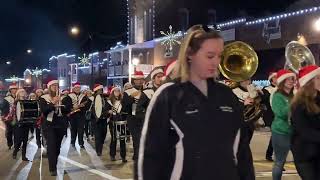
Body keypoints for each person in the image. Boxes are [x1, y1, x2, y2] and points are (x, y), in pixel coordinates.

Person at [138, 25, 254, 180]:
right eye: (209, 56)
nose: (216, 62)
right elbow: (150, 155)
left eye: (219, 56)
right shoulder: (168, 94)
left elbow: (242, 152)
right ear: (190, 54)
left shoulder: (227, 95)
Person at [291, 65, 320, 180]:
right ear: (309, 82)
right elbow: (304, 131)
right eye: (318, 78)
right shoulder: (299, 104)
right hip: (305, 154)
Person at [39, 79, 72, 176]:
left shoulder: (63, 97)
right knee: (52, 146)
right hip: (49, 125)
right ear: (49, 87)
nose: (55, 87)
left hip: (60, 124)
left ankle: (55, 165)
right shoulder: (43, 98)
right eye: (53, 85)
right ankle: (52, 168)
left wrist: (64, 106)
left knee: (57, 147)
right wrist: (53, 102)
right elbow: (44, 110)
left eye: (57, 85)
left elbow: (66, 111)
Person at [271, 69, 295, 180]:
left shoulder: (292, 96)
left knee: (301, 160)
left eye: (292, 79)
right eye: (288, 79)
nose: (291, 81)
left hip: (293, 132)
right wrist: (293, 103)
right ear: (282, 81)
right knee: (279, 162)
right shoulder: (277, 96)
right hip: (280, 132)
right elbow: (280, 113)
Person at [121, 71, 145, 162]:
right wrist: (132, 97)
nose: (139, 81)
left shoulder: (146, 90)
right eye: (137, 80)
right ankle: (137, 157)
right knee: (137, 138)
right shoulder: (128, 92)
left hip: (144, 118)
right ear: (134, 81)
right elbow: (125, 107)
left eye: (141, 79)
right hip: (133, 118)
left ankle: (139, 156)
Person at [107, 86, 127, 162]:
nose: (117, 92)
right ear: (112, 92)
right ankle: (112, 155)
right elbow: (105, 110)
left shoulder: (123, 101)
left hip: (121, 121)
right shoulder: (109, 101)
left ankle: (123, 156)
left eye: (118, 91)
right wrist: (108, 112)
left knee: (122, 138)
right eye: (115, 91)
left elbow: (125, 110)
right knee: (114, 138)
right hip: (112, 122)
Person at [261, 72, 277, 161]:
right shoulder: (266, 90)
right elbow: (263, 101)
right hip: (270, 116)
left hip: (279, 115)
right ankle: (270, 154)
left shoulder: (282, 89)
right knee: (275, 134)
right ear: (271, 79)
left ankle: (269, 154)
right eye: (275, 77)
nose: (277, 78)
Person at [68, 82, 89, 148]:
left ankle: (81, 143)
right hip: (72, 115)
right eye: (76, 88)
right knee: (73, 129)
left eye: (78, 88)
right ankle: (73, 142)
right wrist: (72, 108)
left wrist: (82, 108)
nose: (77, 89)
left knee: (81, 130)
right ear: (73, 88)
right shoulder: (69, 96)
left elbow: (87, 106)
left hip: (81, 115)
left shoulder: (84, 96)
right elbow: (67, 105)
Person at [12, 88, 31, 161]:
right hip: (18, 124)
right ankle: (15, 151)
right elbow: (14, 113)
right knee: (18, 141)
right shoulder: (16, 102)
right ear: (18, 94)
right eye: (21, 92)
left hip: (26, 123)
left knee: (25, 141)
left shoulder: (27, 101)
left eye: (23, 91)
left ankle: (24, 156)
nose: (23, 92)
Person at [92, 84, 108, 156]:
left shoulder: (104, 98)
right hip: (96, 120)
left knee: (104, 134)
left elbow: (107, 107)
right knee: (98, 136)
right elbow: (92, 109)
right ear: (96, 91)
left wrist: (107, 113)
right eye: (99, 90)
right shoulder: (93, 99)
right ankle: (99, 150)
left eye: (101, 90)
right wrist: (96, 116)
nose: (100, 91)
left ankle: (100, 144)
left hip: (104, 119)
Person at [1, 83, 18, 150]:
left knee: (17, 132)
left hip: (17, 117)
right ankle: (10, 144)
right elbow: (3, 107)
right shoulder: (6, 98)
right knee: (9, 132)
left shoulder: (18, 97)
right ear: (10, 90)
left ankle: (17, 145)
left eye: (15, 89)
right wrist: (4, 115)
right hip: (9, 117)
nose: (14, 90)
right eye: (13, 89)